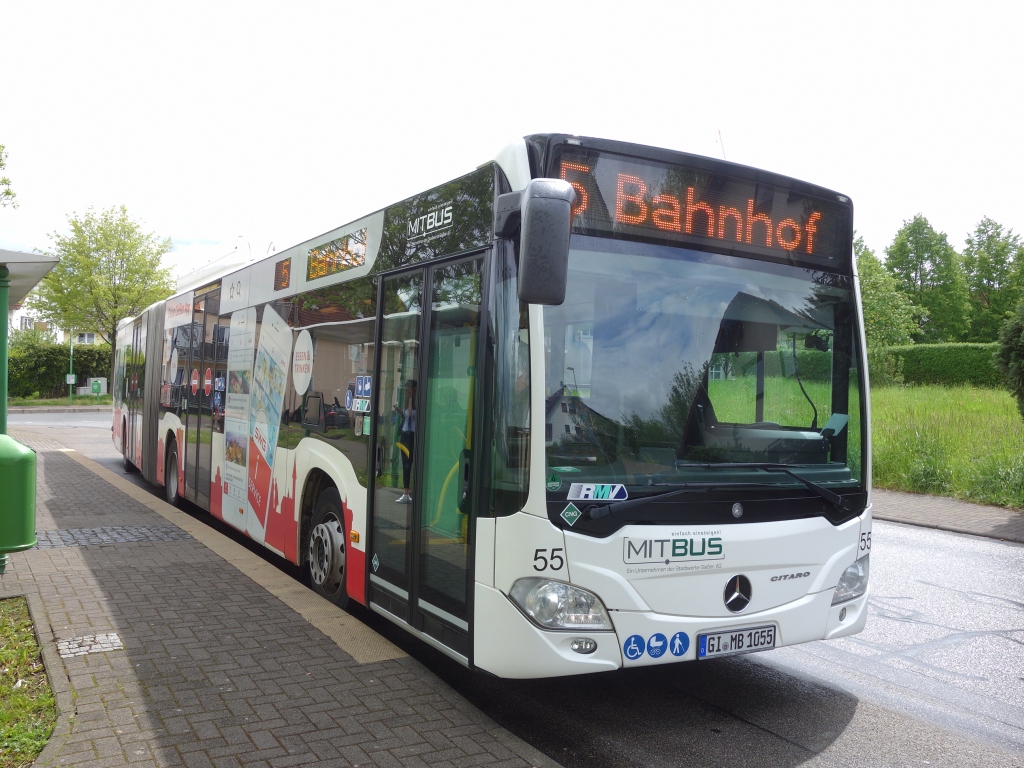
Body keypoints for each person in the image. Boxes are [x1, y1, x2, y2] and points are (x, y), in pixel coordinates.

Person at [396, 379, 416, 503]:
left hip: (412, 434)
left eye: (409, 391)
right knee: (405, 464)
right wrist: (400, 412)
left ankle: (411, 492)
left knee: (411, 463)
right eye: (406, 391)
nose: (407, 393)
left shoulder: (416, 403)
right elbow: (406, 416)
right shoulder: (405, 402)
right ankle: (405, 492)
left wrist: (410, 400)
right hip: (404, 433)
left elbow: (410, 414)